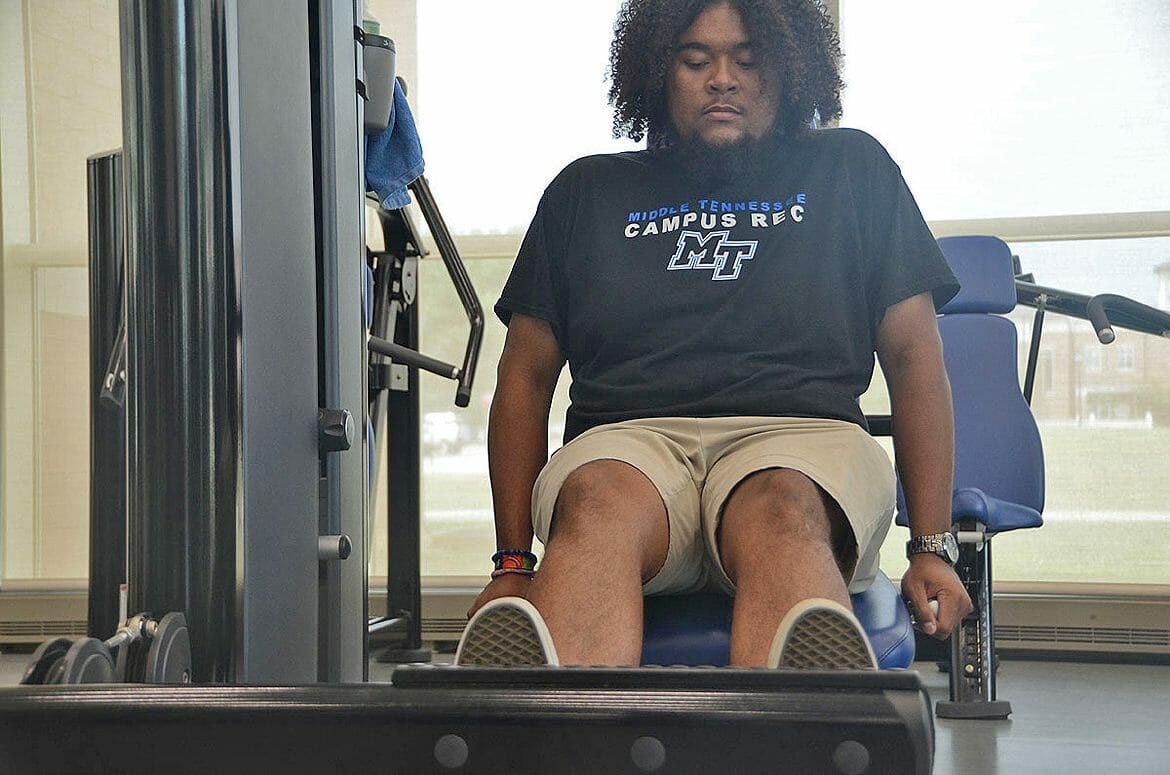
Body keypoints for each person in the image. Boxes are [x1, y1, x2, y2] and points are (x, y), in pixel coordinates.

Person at [456, 0, 973, 669]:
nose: (722, 78)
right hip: (629, 446)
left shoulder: (853, 170)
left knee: (784, 507)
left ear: (790, 70)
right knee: (596, 500)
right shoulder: (585, 192)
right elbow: (524, 378)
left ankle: (790, 720)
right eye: (695, 60)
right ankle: (563, 721)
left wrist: (932, 547)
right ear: (655, 71)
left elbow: (914, 357)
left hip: (804, 441)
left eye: (748, 61)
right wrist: (511, 563)